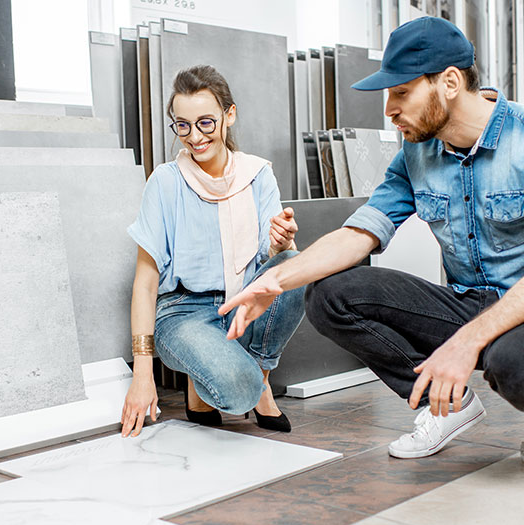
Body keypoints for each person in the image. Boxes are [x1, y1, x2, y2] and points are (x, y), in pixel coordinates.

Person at [219, 16, 524, 459]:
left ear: (451, 82)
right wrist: (276, 281)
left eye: (401, 92)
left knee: (510, 363)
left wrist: (467, 341)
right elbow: (359, 233)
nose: (389, 109)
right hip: (467, 301)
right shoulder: (416, 153)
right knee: (331, 295)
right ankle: (448, 406)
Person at [121, 65, 304, 438]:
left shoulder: (257, 174)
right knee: (237, 394)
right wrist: (142, 373)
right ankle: (236, 380)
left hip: (244, 302)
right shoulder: (166, 183)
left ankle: (260, 377)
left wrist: (281, 244)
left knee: (296, 265)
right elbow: (145, 283)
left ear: (229, 115)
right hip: (185, 313)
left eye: (206, 122)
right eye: (183, 125)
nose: (194, 136)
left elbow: (273, 265)